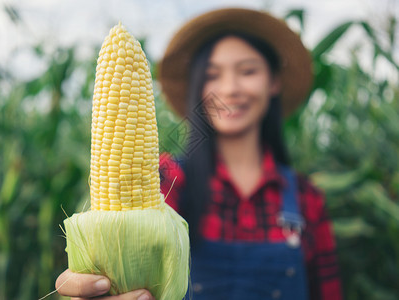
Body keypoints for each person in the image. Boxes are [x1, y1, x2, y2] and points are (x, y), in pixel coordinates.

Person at [56, 8, 343, 300]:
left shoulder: (308, 199)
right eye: (212, 74)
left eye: (248, 71)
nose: (230, 89)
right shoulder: (164, 181)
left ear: (273, 82)